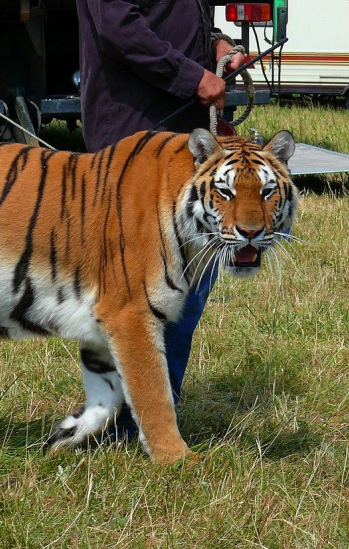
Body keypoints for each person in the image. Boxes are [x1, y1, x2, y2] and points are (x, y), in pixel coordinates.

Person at [74, 0, 244, 432]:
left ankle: (142, 416)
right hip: (134, 134)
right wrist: (193, 77)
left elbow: (173, 19)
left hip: (181, 138)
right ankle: (133, 424)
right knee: (142, 297)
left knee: (184, 291)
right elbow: (117, 26)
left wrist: (216, 46)